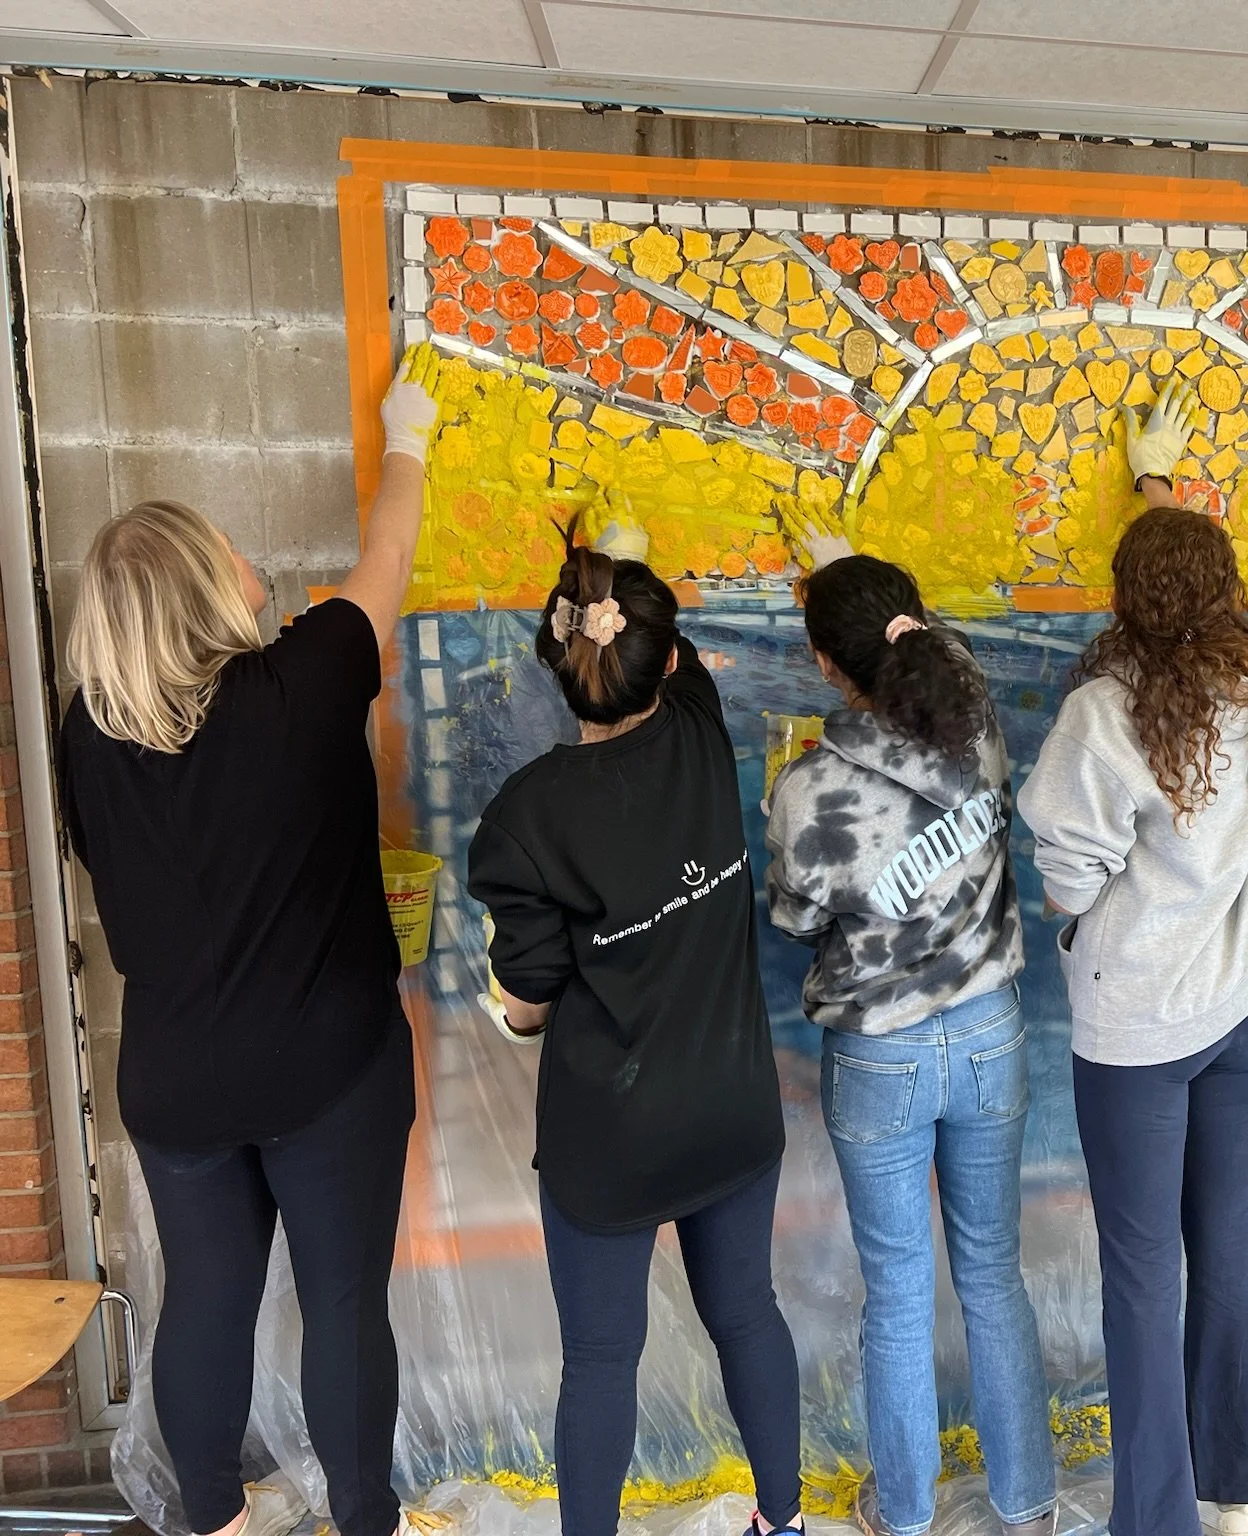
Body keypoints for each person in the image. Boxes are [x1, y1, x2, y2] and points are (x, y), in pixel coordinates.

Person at [56, 345, 442, 1536]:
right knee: (340, 1303)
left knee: (207, 1303)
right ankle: (363, 1520)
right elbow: (388, 553)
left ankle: (213, 1518)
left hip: (175, 1081)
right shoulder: (306, 678)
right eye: (221, 545)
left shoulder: (84, 734)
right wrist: (409, 438)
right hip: (326, 1067)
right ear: (202, 586)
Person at [466, 532, 800, 1536]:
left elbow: (527, 1000)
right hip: (731, 1108)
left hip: (608, 1134)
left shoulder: (524, 819)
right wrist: (625, 566)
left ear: (553, 660)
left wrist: (518, 1008)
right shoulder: (703, 732)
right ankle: (782, 1524)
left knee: (602, 1361)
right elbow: (677, 653)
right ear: (661, 655)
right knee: (747, 1316)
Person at [1017, 381, 1248, 1536]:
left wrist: (1081, 927)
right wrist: (1156, 487)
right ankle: (1235, 1498)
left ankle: (1158, 1522)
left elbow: (1064, 865)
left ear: (1124, 599)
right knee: (1220, 1239)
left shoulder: (1103, 713)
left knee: (1139, 1274)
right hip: (1239, 1001)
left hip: (1137, 1030)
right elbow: (1184, 590)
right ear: (1222, 591)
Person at [763, 547, 1055, 1536]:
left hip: (879, 1055)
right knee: (992, 1273)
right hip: (988, 1033)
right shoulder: (973, 721)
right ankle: (1028, 1504)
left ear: (823, 668)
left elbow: (797, 921)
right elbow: (927, 643)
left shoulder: (808, 790)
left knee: (895, 1295)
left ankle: (905, 1511)